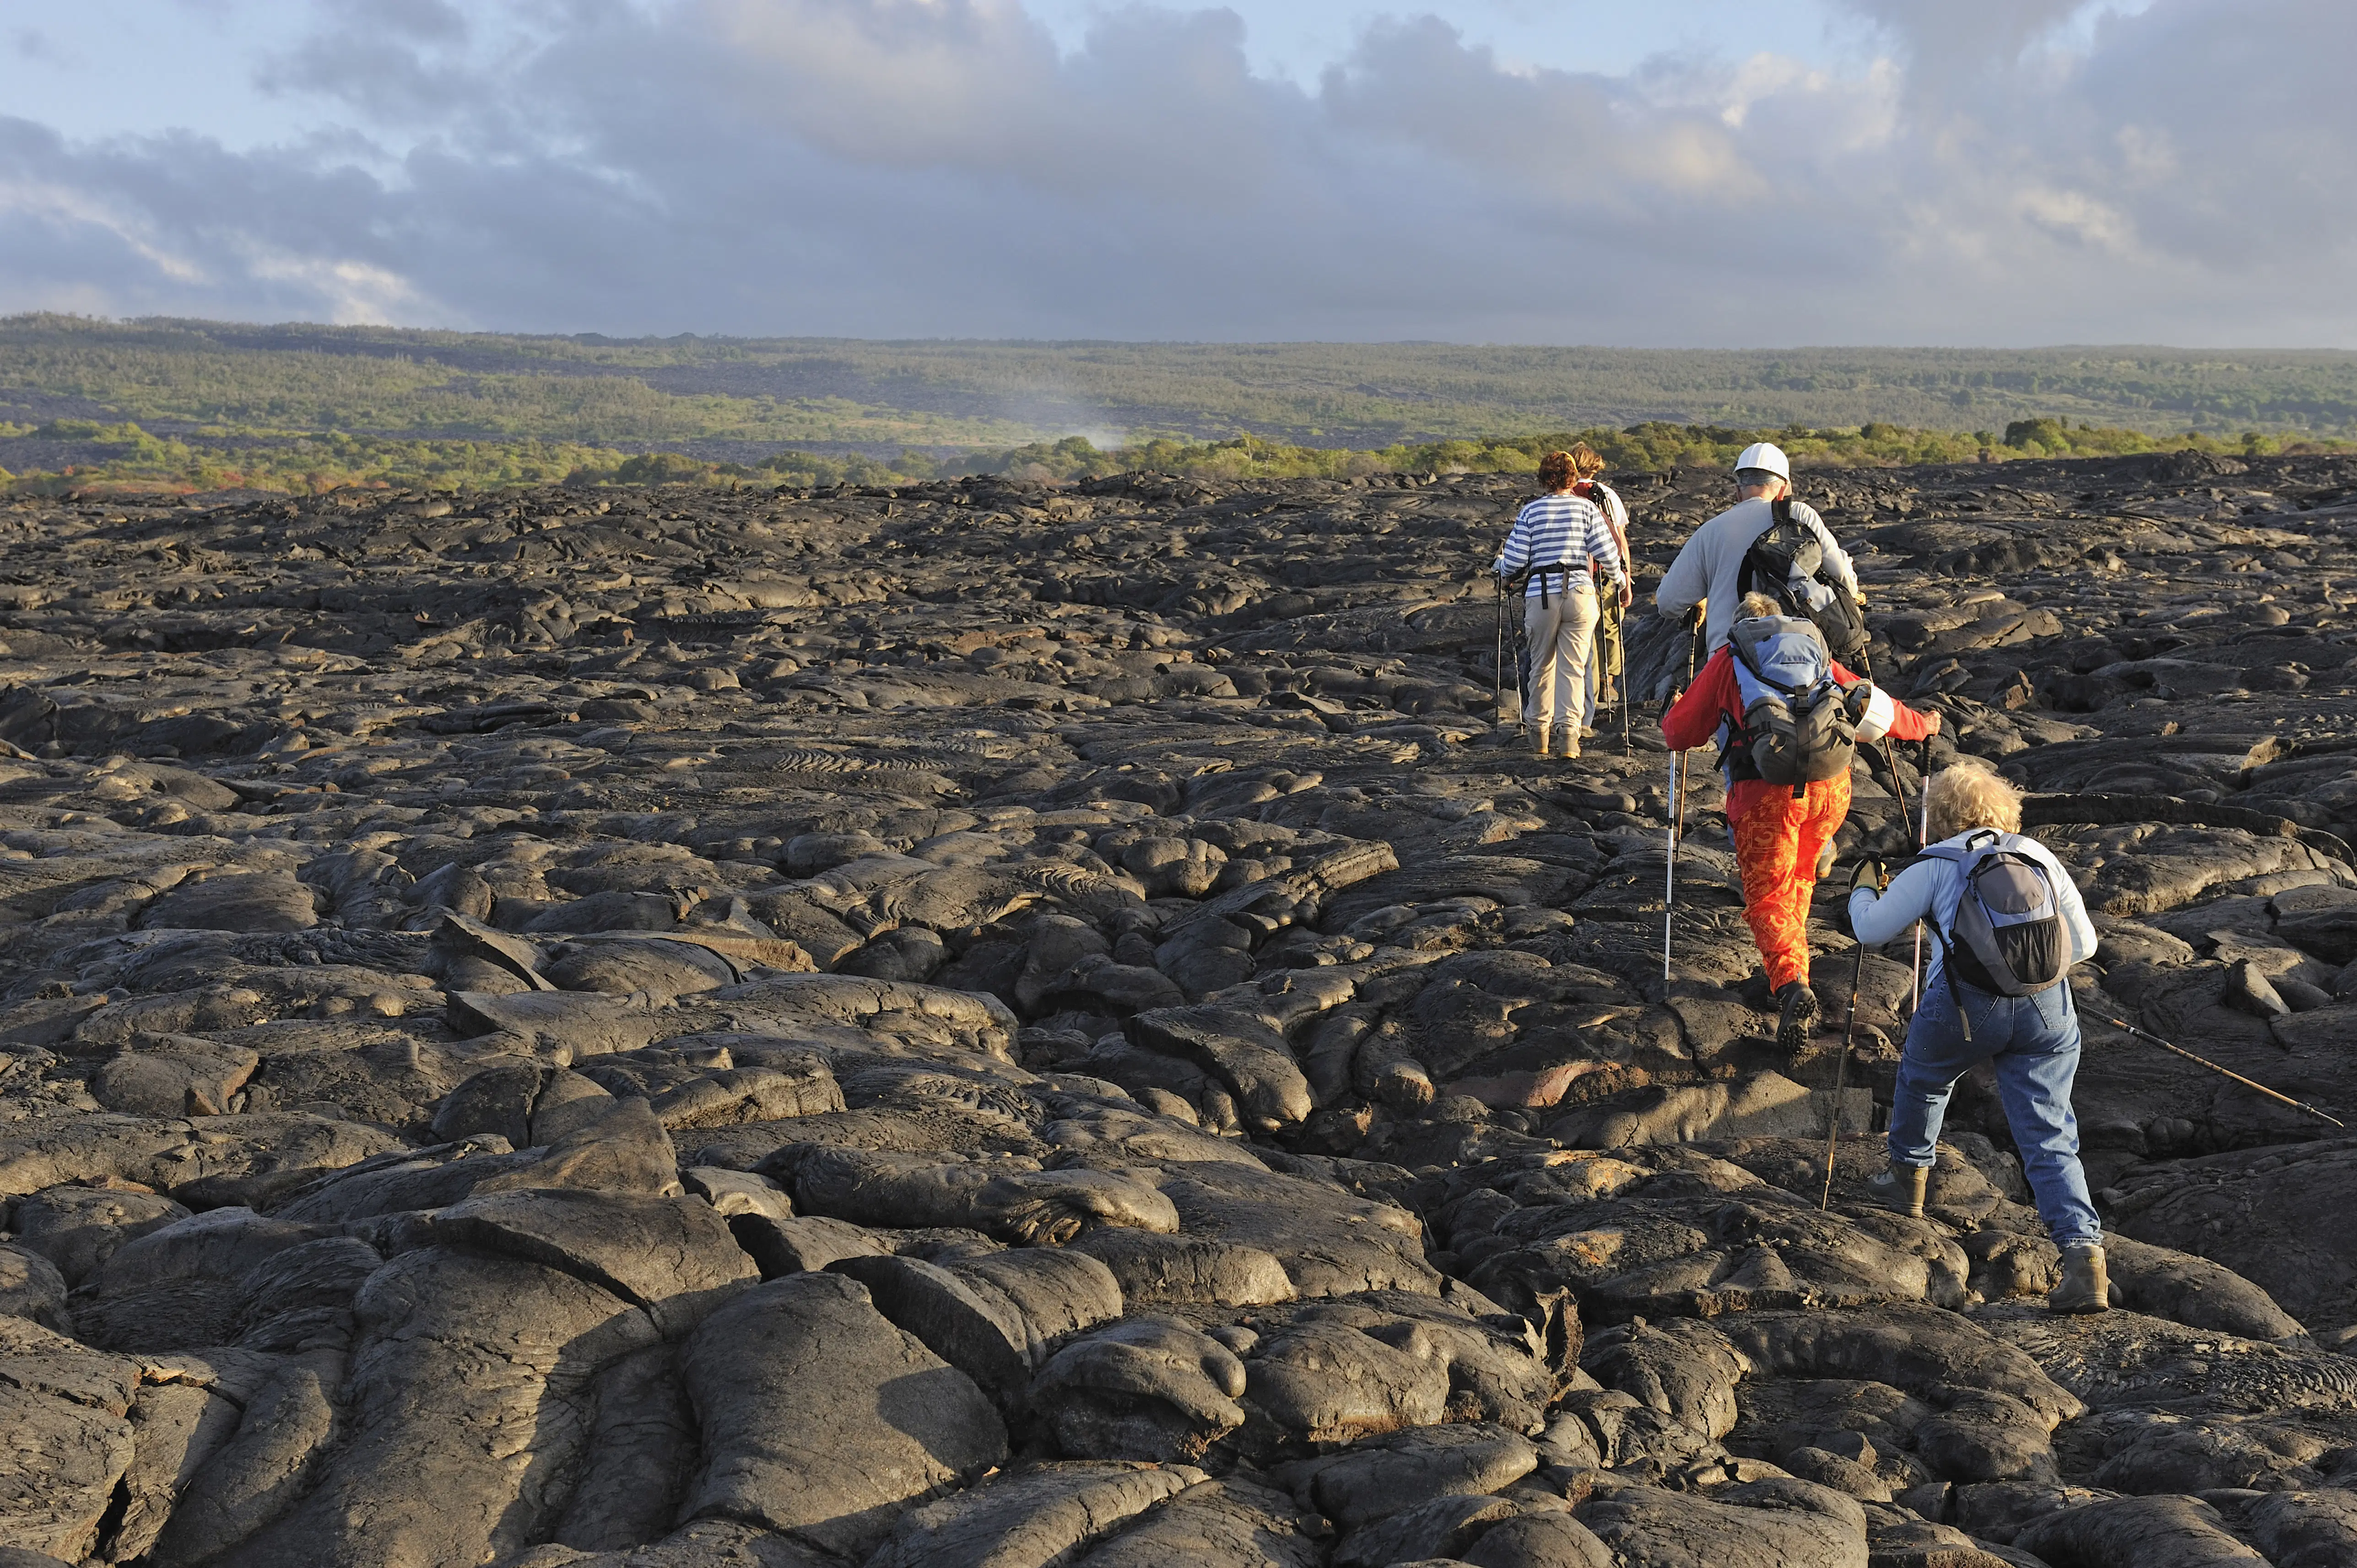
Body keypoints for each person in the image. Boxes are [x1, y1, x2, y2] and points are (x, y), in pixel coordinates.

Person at [1847, 760, 2110, 1314]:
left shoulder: (1936, 864)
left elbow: (1870, 929)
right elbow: (2083, 944)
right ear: (2004, 808)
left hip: (1966, 1007)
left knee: (1922, 1077)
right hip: (2047, 1011)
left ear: (1939, 817)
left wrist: (1861, 889)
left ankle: (1907, 1181)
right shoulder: (2037, 856)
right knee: (2048, 1134)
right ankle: (2084, 1259)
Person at [1662, 591, 1939, 1049]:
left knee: (1767, 893)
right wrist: (1921, 725)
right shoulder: (1810, 651)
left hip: (1765, 794)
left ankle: (1791, 984)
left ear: (1740, 626)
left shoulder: (1730, 659)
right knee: (1799, 879)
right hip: (1829, 787)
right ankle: (1791, 966)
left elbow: (1679, 733)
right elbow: (1876, 708)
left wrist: (1672, 711)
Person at [1655, 441, 1860, 655]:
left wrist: (1702, 597)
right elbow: (1842, 575)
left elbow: (1668, 603)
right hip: (1798, 654)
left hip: (1729, 658)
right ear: (1783, 491)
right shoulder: (1800, 515)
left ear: (1738, 491)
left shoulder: (1709, 531)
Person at [1495, 449, 1627, 760]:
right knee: (1575, 666)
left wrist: (1499, 569)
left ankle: (1539, 735)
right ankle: (1570, 735)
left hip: (1542, 595)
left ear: (1544, 479)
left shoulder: (1531, 513)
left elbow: (1513, 561)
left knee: (1541, 665)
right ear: (1571, 477)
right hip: (1580, 592)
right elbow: (1608, 553)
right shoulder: (1587, 510)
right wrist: (1620, 580)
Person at [1567, 442, 1634, 730]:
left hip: (1573, 574)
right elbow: (1620, 539)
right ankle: (1609, 682)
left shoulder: (1564, 495)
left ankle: (1582, 692)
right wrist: (1626, 576)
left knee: (1581, 634)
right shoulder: (1607, 494)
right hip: (1606, 572)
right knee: (1608, 624)